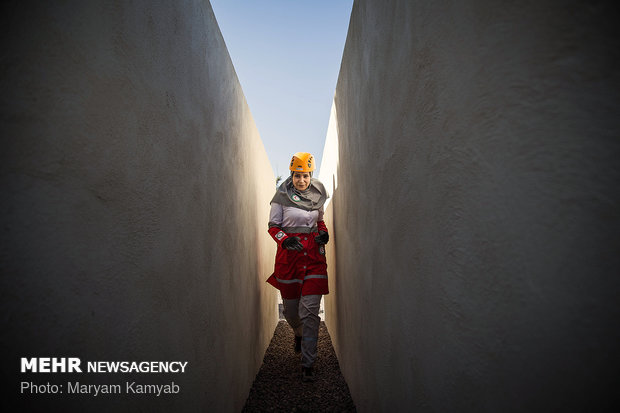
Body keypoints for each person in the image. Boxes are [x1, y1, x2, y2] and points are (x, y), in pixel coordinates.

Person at [266, 152, 329, 382]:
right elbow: (273, 226)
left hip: (313, 258)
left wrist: (323, 233)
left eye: (305, 176)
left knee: (310, 312)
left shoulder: (318, 194)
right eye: (296, 175)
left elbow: (319, 221)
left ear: (310, 175)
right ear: (291, 175)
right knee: (292, 313)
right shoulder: (281, 197)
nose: (301, 180)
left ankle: (308, 363)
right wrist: (284, 239)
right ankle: (298, 333)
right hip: (290, 258)